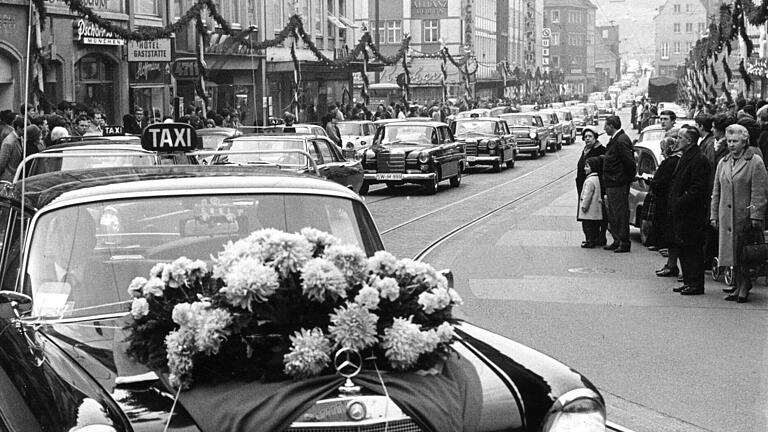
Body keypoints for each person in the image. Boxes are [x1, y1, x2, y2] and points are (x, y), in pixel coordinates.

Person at [711, 124, 768, 303]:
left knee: (745, 252)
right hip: (726, 216)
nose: (731, 144)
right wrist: (713, 214)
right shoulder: (724, 162)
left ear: (744, 141)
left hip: (745, 216)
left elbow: (760, 190)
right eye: (728, 141)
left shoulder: (755, 161)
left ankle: (745, 285)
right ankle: (737, 283)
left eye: (735, 141)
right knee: (731, 251)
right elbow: (716, 191)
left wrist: (756, 215)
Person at [669, 126, 711, 296]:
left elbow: (698, 188)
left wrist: (680, 201)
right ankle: (688, 280)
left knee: (692, 248)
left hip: (691, 213)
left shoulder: (699, 159)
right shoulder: (686, 156)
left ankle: (695, 283)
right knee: (683, 247)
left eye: (680, 138)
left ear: (690, 141)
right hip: (682, 212)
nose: (677, 141)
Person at [602, 115, 636, 253]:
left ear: (612, 126)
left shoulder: (621, 140)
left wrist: (623, 179)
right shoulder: (616, 139)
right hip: (613, 183)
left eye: (606, 125)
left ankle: (623, 241)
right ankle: (617, 240)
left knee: (620, 213)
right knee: (614, 213)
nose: (604, 128)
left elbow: (630, 163)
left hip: (618, 183)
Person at [651, 131, 683, 277]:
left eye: (663, 149)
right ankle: (671, 263)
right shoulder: (677, 160)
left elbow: (662, 182)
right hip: (669, 201)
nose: (662, 152)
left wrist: (652, 182)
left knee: (671, 235)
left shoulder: (670, 162)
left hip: (666, 203)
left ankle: (672, 265)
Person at [576, 127, 607, 246]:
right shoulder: (585, 150)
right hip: (585, 184)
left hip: (595, 186)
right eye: (585, 137)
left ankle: (597, 237)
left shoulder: (601, 150)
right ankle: (591, 237)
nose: (587, 139)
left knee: (595, 213)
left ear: (595, 137)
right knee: (587, 212)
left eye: (590, 136)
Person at [579, 157, 604, 248]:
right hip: (595, 208)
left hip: (589, 209)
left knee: (587, 227)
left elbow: (587, 195)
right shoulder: (596, 178)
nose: (585, 168)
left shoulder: (590, 181)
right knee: (594, 226)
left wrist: (584, 206)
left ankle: (589, 241)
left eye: (587, 166)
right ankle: (594, 239)